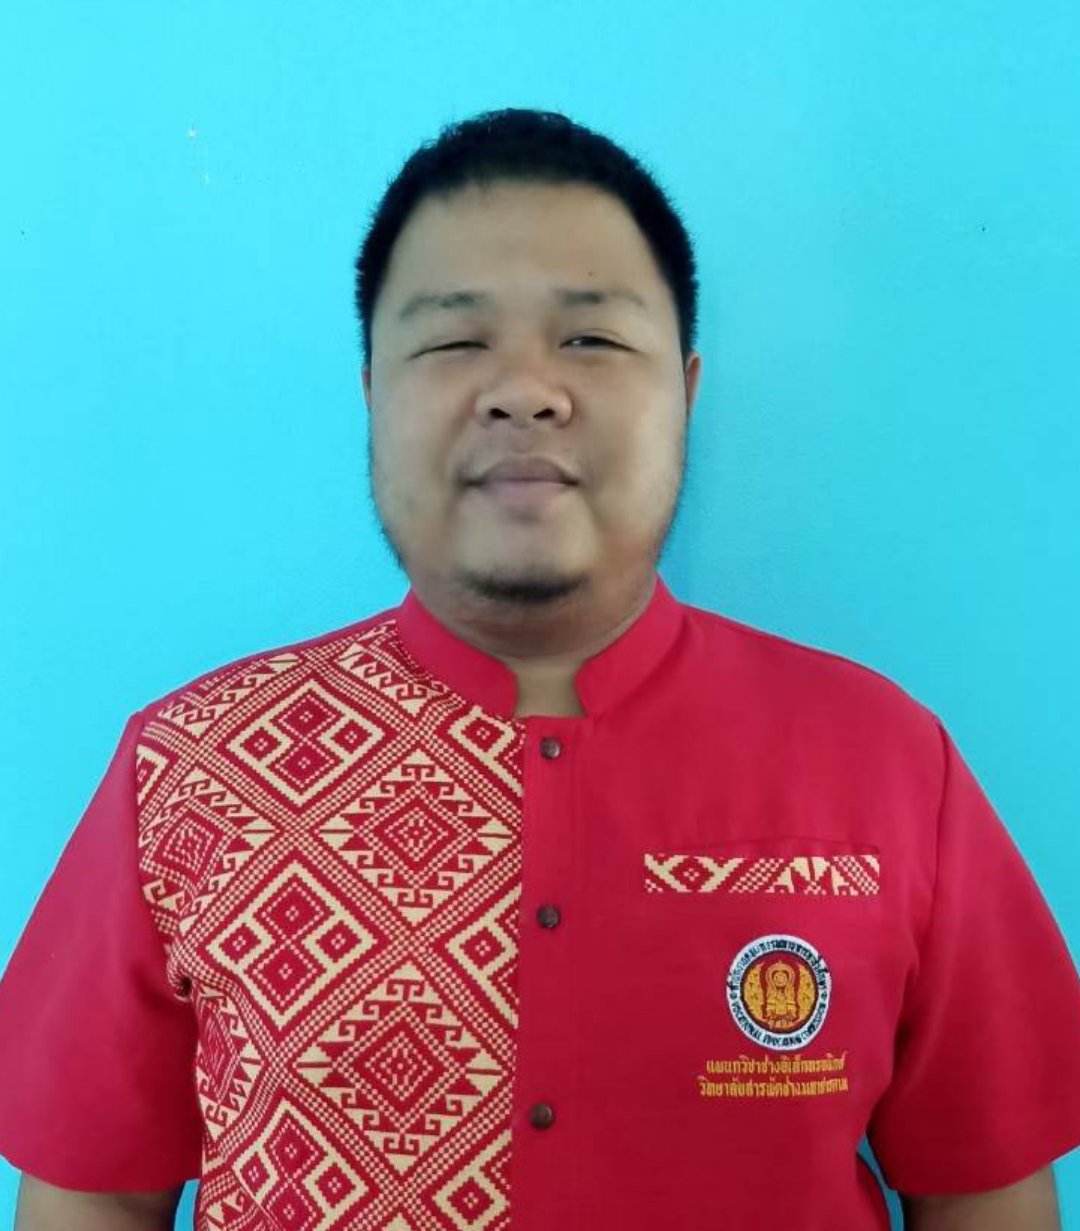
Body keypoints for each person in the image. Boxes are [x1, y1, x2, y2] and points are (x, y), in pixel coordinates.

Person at [1, 107, 1077, 1231]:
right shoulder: (191, 765)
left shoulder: (886, 759)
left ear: (687, 391)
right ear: (372, 390)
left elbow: (985, 1194)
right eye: (454, 343)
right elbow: (93, 1198)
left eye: (591, 340)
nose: (524, 391)